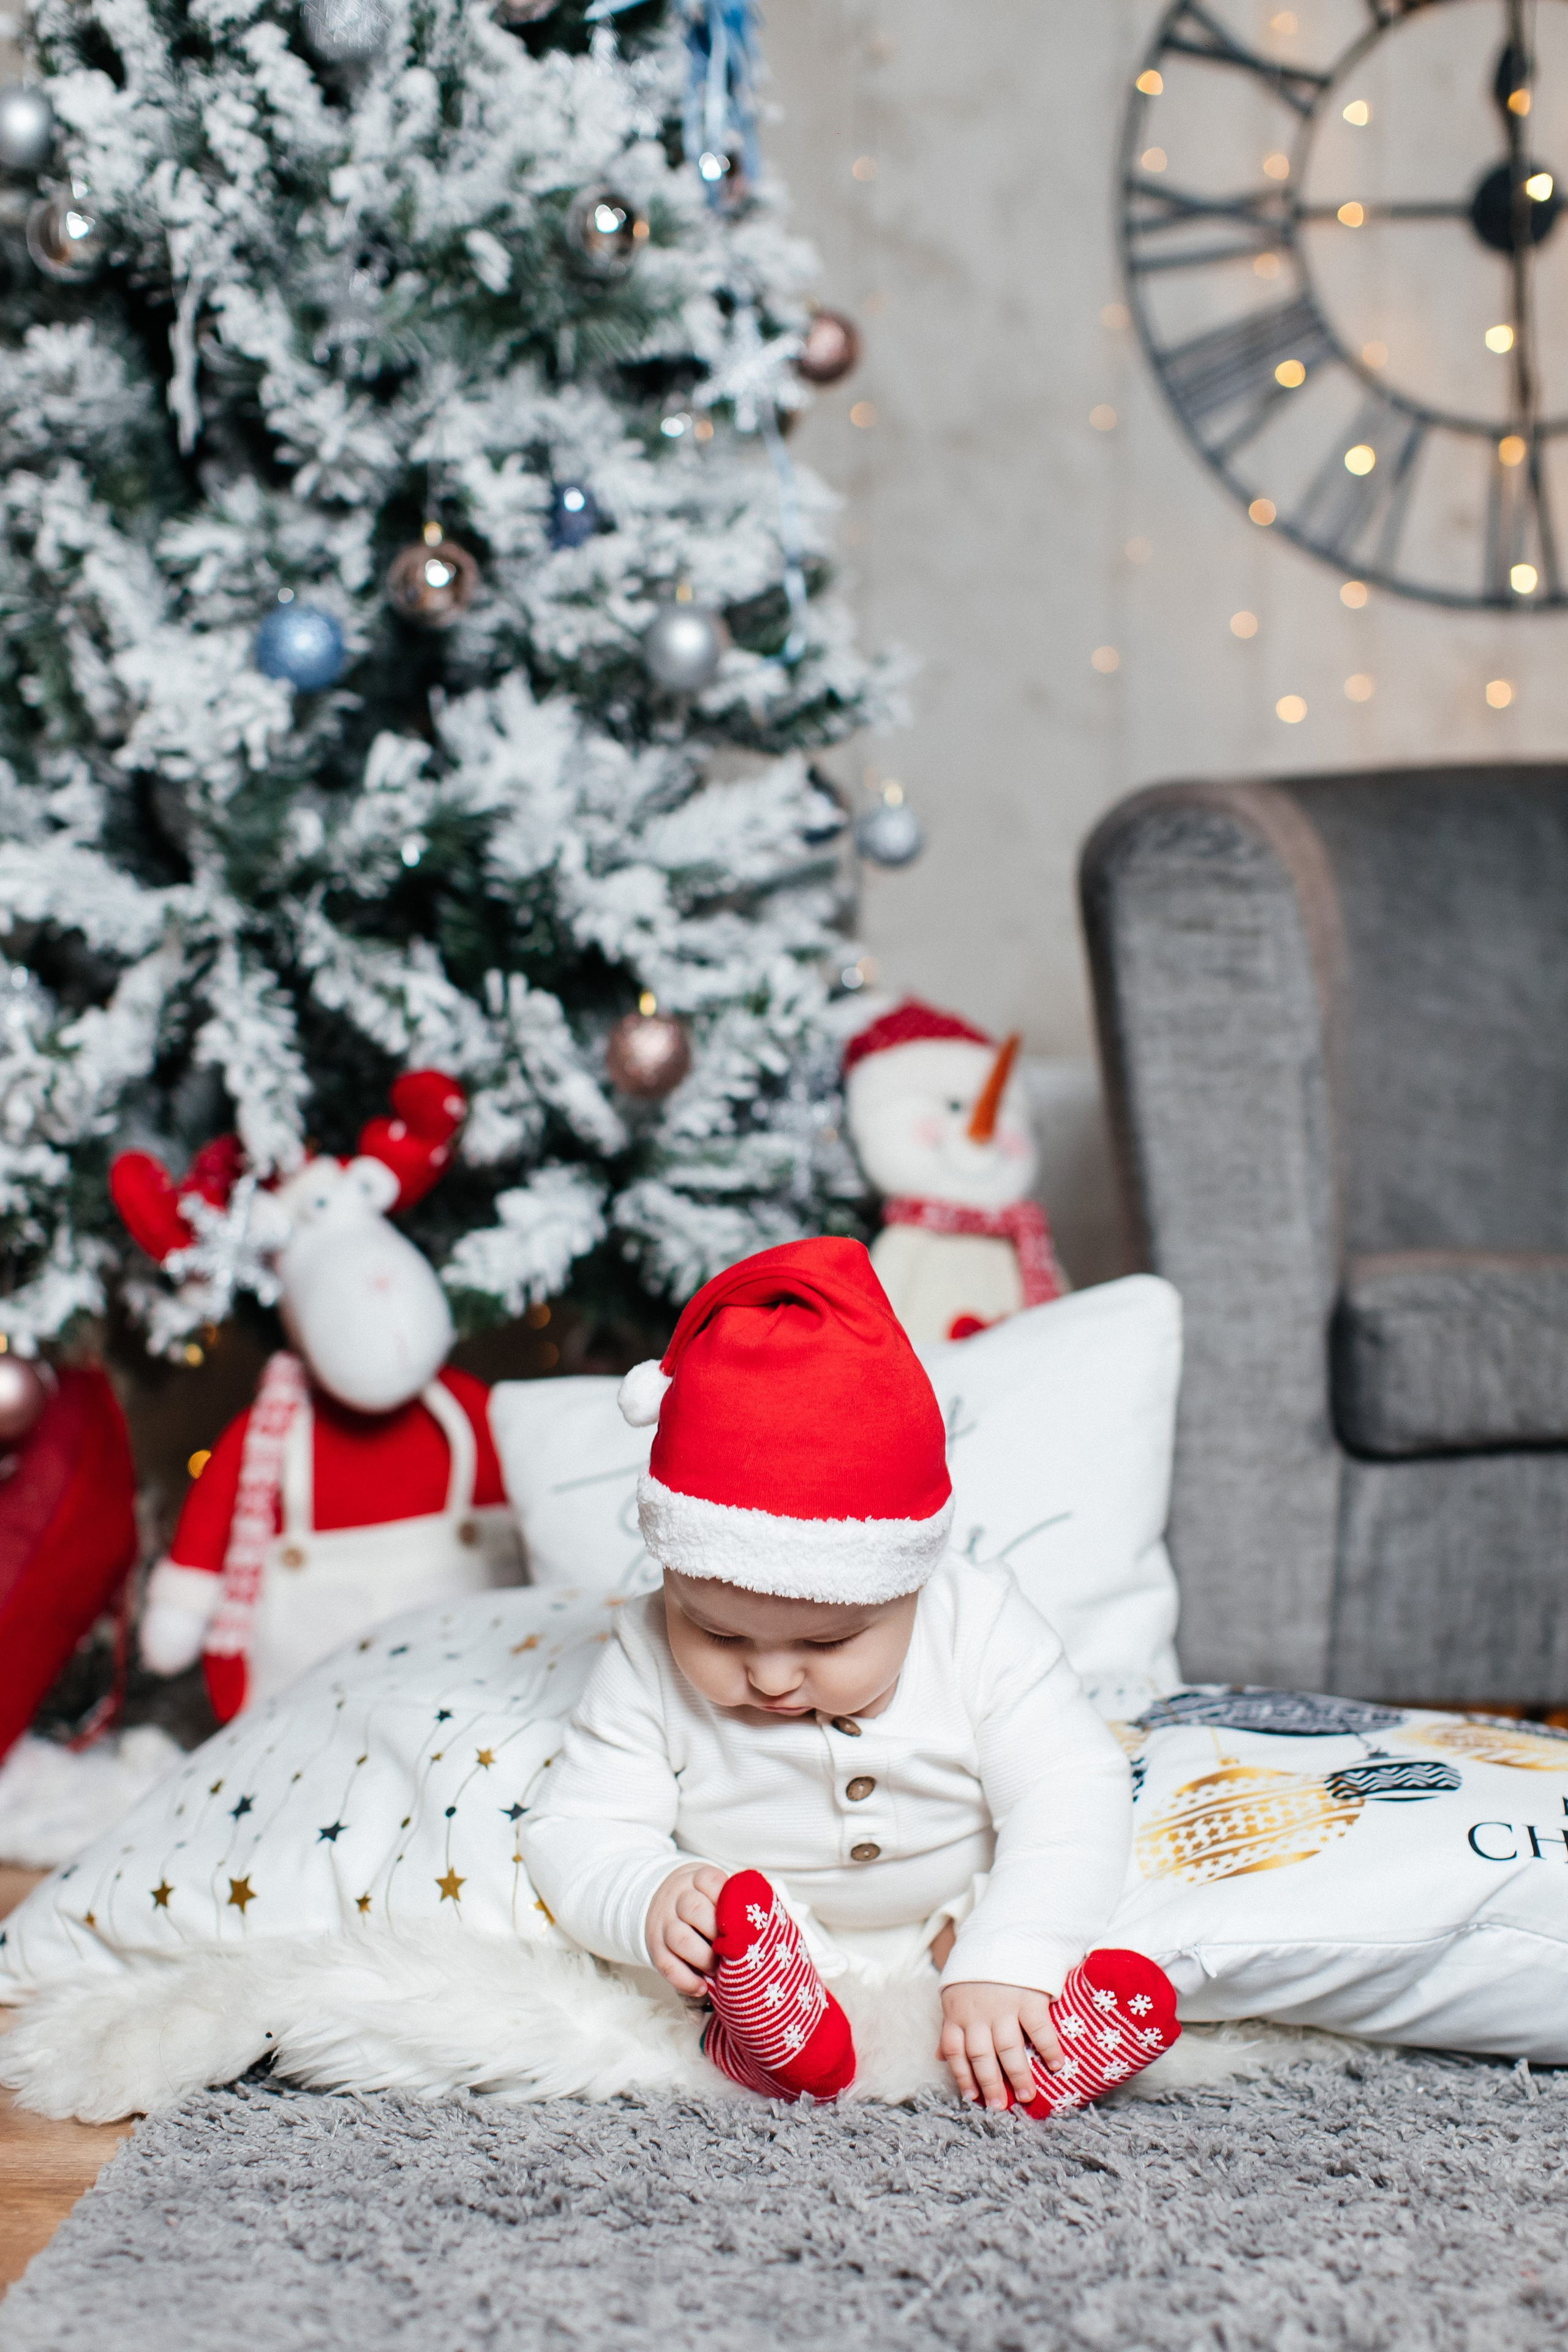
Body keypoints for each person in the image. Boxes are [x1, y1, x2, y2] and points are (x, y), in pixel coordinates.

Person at [523, 1238, 1178, 2113]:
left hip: (966, 1914)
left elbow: (1069, 1788)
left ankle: (1033, 2044)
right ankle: (770, 2036)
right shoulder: (645, 1650)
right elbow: (576, 1827)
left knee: (1121, 1873)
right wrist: (647, 1895)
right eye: (717, 1633)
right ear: (673, 1574)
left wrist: (1012, 1952)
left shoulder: (976, 1623)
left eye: (827, 1646)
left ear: (908, 1581)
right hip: (776, 1939)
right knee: (679, 1960)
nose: (771, 1679)